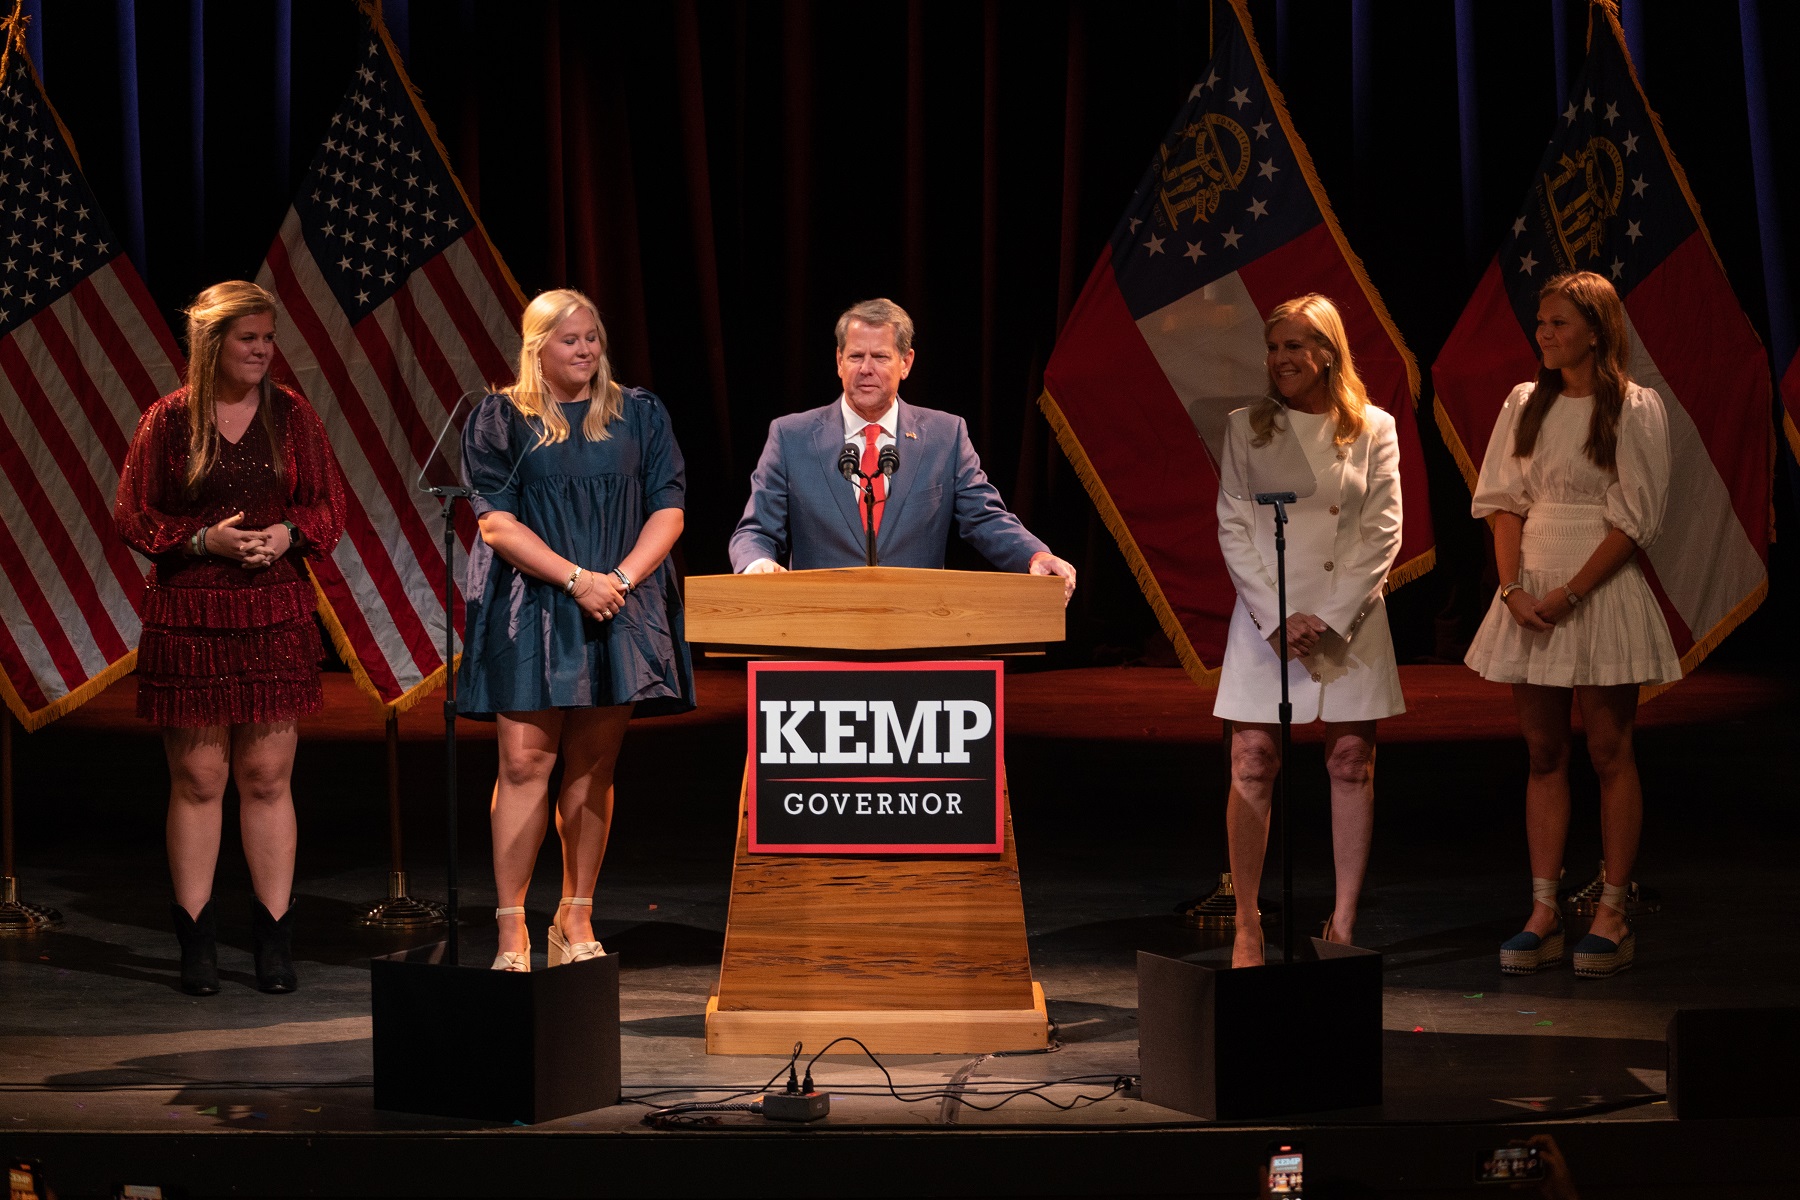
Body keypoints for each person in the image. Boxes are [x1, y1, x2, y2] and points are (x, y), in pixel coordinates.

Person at [113, 281, 347, 996]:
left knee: (267, 777)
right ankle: (198, 944)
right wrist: (201, 539)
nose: (263, 350)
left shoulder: (292, 415)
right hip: (192, 614)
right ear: (212, 344)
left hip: (273, 611)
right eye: (249, 338)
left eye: (268, 337)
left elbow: (328, 505)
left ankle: (273, 941)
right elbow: (134, 513)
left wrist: (287, 533)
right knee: (200, 779)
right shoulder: (169, 419)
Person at [458, 288, 693, 972]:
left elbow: (669, 509)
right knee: (524, 764)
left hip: (620, 602)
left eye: (592, 338)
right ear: (537, 349)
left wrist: (616, 580)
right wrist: (575, 580)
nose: (586, 350)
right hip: (533, 603)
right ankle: (511, 929)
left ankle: (575, 915)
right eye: (570, 340)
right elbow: (496, 523)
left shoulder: (639, 413)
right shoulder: (502, 418)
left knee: (594, 767)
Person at [1465, 270, 1677, 979]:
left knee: (1610, 749)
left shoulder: (1634, 407)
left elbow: (1635, 520)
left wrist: (1572, 594)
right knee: (1543, 751)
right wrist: (1512, 590)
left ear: (1595, 331)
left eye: (1558, 323)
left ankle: (1612, 911)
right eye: (1541, 323)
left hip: (1598, 588)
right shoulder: (1525, 402)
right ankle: (1543, 910)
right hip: (1531, 589)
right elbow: (1503, 501)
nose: (1544, 335)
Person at [1214, 294, 1405, 969]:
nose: (1280, 359)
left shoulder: (1374, 428)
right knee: (1252, 761)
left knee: (1351, 762)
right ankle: (1246, 925)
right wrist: (1277, 617)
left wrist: (1329, 617)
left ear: (1327, 352)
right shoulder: (1247, 427)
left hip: (1349, 619)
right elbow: (1233, 527)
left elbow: (1384, 531)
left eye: (1293, 345)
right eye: (1274, 347)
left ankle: (1343, 923)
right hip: (1267, 619)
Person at [728, 298, 1077, 599]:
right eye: (855, 356)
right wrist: (757, 563)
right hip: (820, 621)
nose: (866, 369)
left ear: (906, 362)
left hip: (917, 623)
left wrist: (1035, 555)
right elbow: (755, 530)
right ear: (839, 361)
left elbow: (984, 517)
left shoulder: (945, 435)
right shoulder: (791, 436)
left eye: (880, 357)